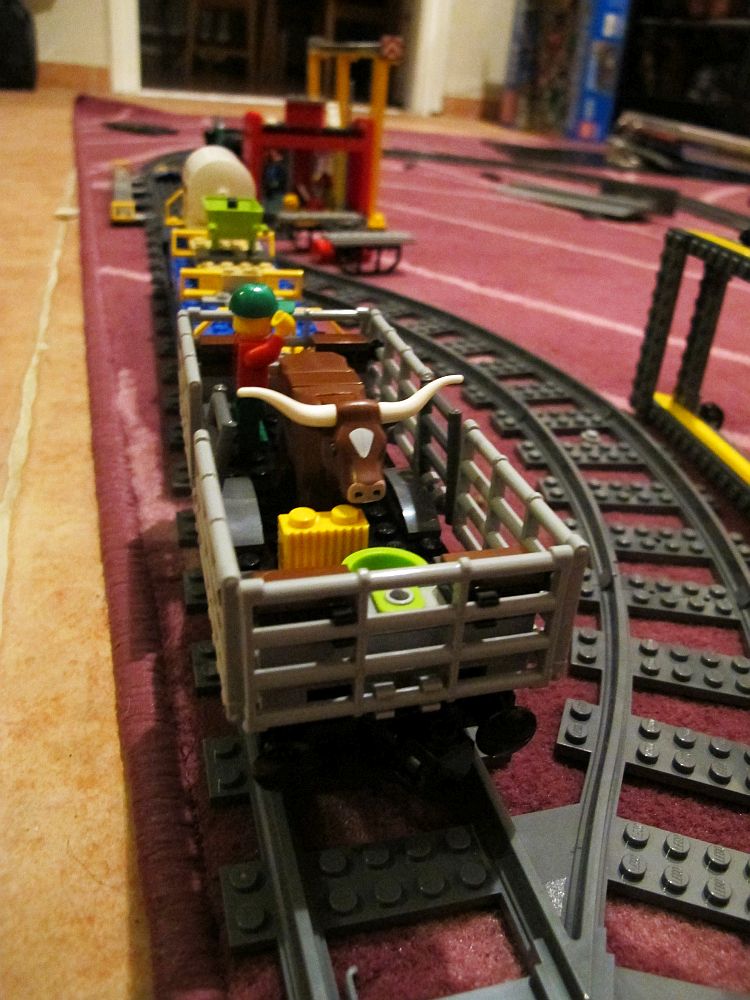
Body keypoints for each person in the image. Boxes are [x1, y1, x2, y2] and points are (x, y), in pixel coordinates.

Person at [229, 282, 296, 457]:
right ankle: (249, 453)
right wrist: (279, 335)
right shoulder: (248, 347)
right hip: (249, 392)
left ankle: (258, 436)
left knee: (256, 414)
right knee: (249, 421)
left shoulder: (243, 339)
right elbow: (265, 356)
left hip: (255, 389)